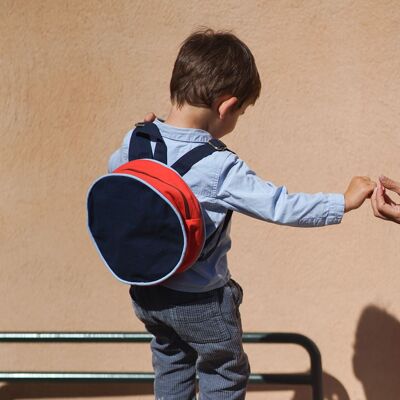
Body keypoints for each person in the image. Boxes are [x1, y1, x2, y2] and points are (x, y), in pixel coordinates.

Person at [108, 28, 376, 400]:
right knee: (224, 373)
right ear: (226, 106)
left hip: (148, 294)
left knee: (171, 367)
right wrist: (341, 202)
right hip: (201, 299)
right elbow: (280, 205)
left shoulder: (135, 140)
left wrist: (142, 137)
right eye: (242, 112)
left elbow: (116, 181)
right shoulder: (219, 166)